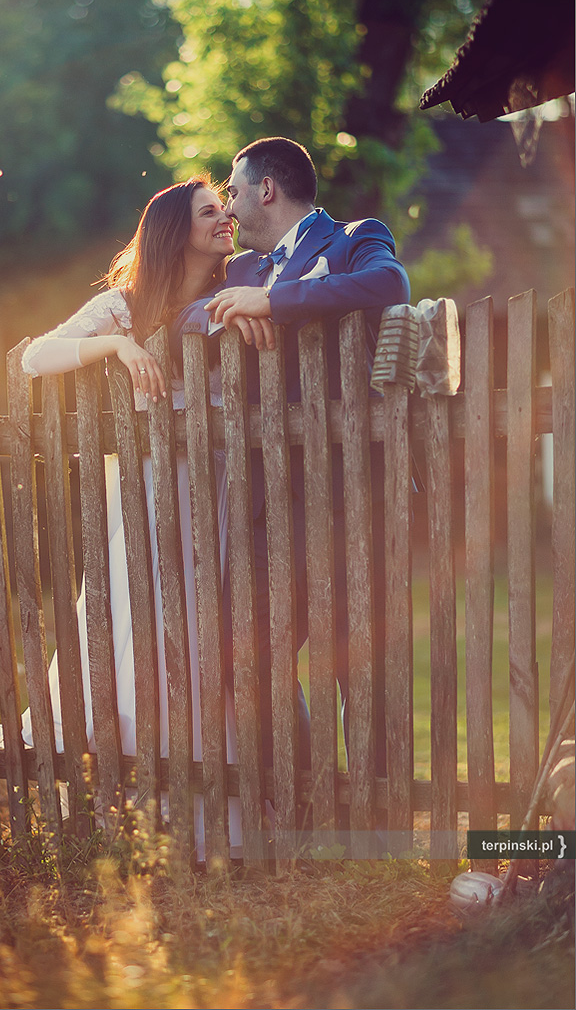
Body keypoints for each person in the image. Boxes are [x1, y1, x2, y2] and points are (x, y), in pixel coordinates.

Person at [0, 177, 242, 859]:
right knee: (138, 621)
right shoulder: (125, 305)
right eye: (210, 210)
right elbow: (36, 355)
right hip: (147, 491)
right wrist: (118, 347)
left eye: (227, 207)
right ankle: (127, 807)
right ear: (172, 229)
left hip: (219, 493)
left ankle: (200, 809)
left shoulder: (241, 288)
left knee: (203, 627)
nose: (227, 218)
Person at [170, 137, 411, 832]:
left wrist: (275, 304)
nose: (231, 205)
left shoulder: (357, 236)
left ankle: (375, 819)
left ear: (267, 188)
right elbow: (182, 315)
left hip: (345, 491)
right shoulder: (238, 268)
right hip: (260, 497)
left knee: (350, 650)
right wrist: (235, 306)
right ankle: (309, 803)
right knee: (262, 650)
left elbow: (388, 285)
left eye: (235, 191)